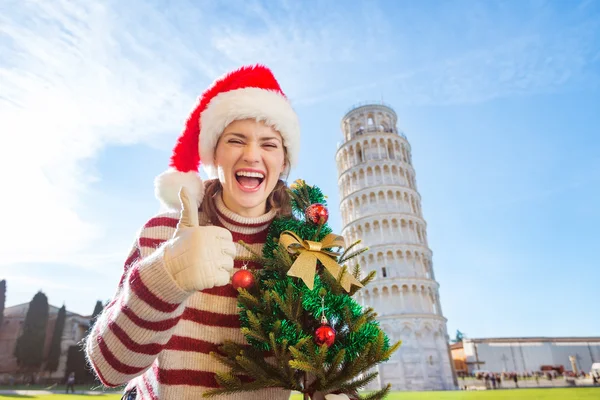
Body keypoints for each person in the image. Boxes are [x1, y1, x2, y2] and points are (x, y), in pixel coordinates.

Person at [84, 65, 350, 400]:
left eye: (269, 145)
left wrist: (333, 389)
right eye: (236, 140)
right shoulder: (164, 232)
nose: (252, 155)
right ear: (214, 154)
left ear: (283, 161)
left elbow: (323, 366)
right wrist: (165, 276)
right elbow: (110, 368)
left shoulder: (303, 252)